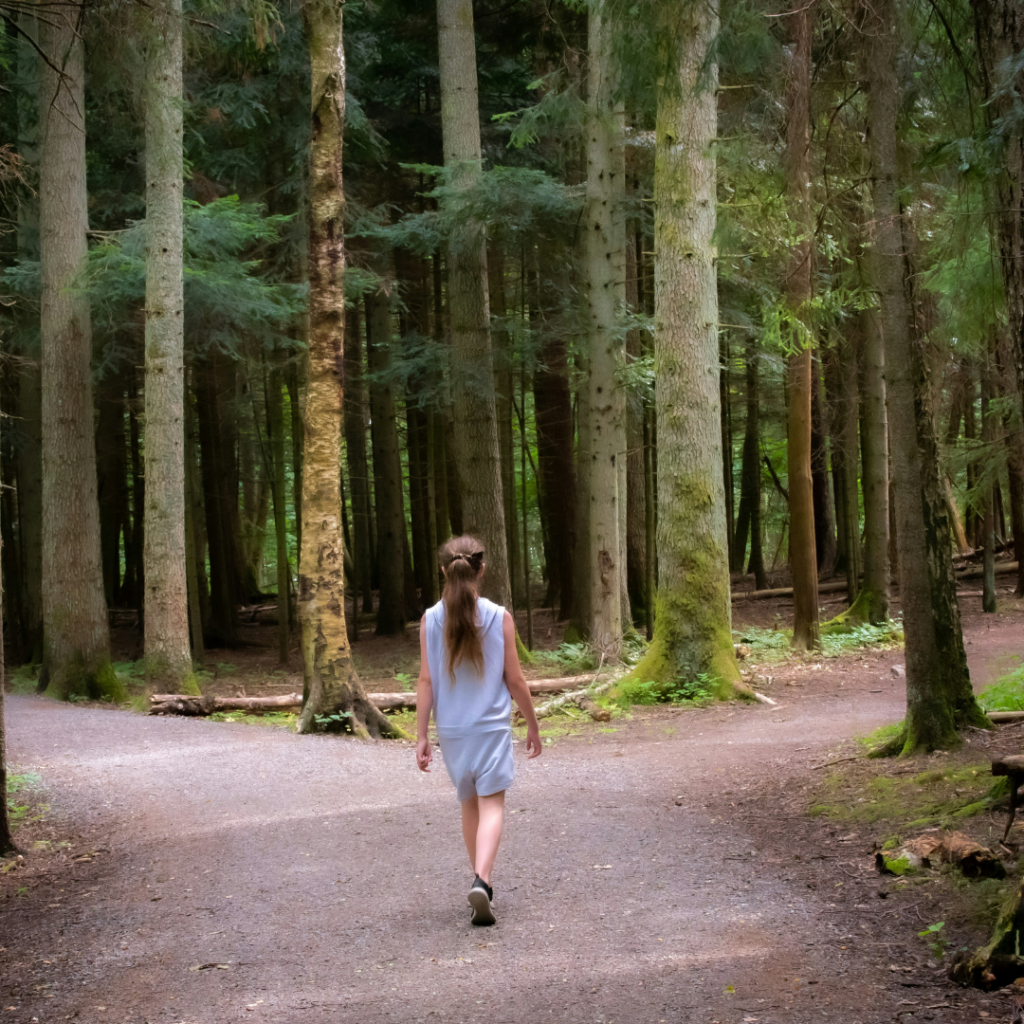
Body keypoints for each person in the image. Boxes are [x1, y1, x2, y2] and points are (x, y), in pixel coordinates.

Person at [416, 535, 542, 926]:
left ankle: (479, 888)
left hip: (452, 732)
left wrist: (421, 736)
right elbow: (515, 680)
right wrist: (533, 725)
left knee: (469, 803)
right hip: (490, 729)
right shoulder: (498, 616)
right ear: (481, 569)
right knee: (493, 805)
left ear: (443, 570)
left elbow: (425, 681)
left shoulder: (429, 619)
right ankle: (482, 881)